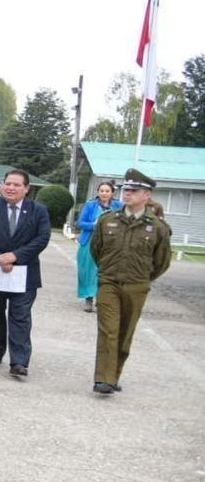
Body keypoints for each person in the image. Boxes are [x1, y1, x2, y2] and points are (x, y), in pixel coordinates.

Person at [89, 169, 172, 395]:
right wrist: (108, 271)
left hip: (137, 285)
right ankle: (103, 379)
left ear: (147, 195)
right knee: (109, 330)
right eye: (126, 189)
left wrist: (143, 277)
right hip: (109, 282)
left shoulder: (157, 227)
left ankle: (113, 375)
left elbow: (162, 261)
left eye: (134, 190)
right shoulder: (107, 221)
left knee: (125, 333)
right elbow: (96, 250)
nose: (127, 194)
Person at [0, 169, 51, 378]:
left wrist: (15, 256)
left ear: (26, 189)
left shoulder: (38, 211)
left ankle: (19, 361)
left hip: (24, 272)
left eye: (16, 185)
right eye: (7, 183)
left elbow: (42, 239)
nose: (11, 188)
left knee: (20, 316)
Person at [75, 181, 122, 312]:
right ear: (98, 192)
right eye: (101, 191)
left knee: (105, 271)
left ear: (112, 193)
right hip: (89, 241)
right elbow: (80, 223)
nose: (104, 193)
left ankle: (101, 299)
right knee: (87, 271)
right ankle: (88, 299)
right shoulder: (90, 205)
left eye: (107, 191)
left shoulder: (119, 206)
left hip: (110, 243)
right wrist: (94, 225)